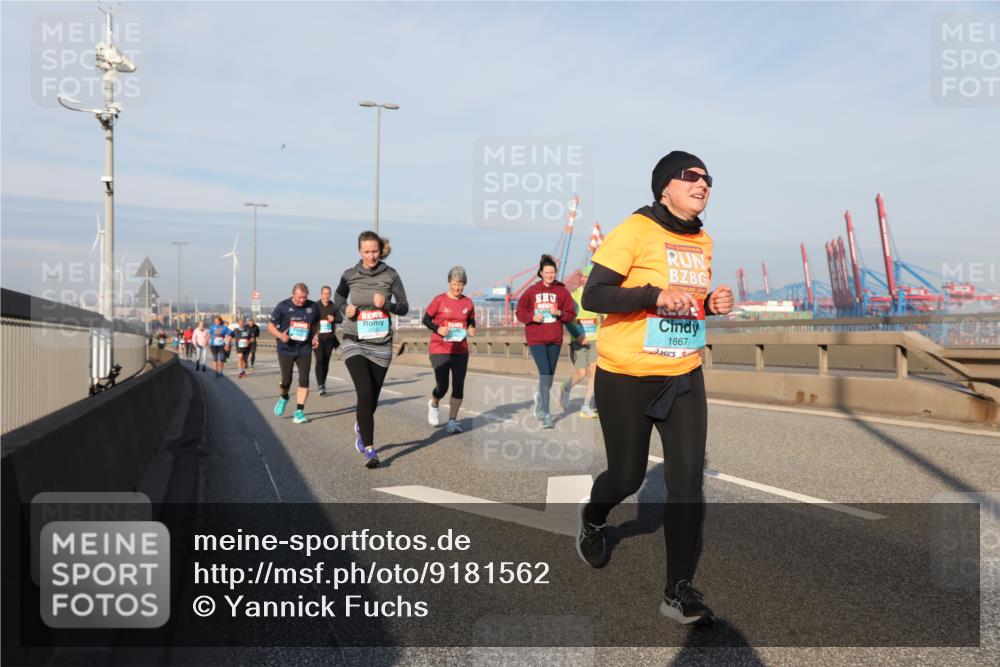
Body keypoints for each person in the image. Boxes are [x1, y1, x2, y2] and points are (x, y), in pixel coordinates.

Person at [575, 151, 734, 625]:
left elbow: (685, 303)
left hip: (683, 372)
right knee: (626, 477)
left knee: (686, 483)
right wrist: (653, 295)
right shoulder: (636, 229)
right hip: (626, 376)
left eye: (708, 178)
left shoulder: (703, 240)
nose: (703, 184)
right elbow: (594, 294)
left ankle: (677, 591)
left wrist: (709, 303)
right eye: (691, 176)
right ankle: (593, 518)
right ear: (665, 186)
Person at [335, 231, 409, 468]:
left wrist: (386, 304)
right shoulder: (349, 274)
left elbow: (404, 307)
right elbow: (338, 297)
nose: (371, 256)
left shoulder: (391, 275)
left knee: (372, 399)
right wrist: (344, 308)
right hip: (354, 340)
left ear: (380, 250)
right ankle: (370, 449)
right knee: (365, 392)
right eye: (366, 251)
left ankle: (361, 425)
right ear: (359, 251)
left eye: (374, 251)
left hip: (381, 344)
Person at [515, 254, 576, 429]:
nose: (550, 275)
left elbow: (571, 314)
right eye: (547, 272)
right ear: (541, 273)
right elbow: (520, 312)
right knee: (545, 374)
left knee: (549, 376)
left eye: (552, 272)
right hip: (536, 339)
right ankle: (547, 415)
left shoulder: (562, 291)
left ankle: (540, 400)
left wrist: (559, 313)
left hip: (555, 339)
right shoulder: (532, 291)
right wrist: (532, 317)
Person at [423, 266, 476, 434]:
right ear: (449, 282)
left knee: (458, 386)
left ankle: (452, 421)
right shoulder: (439, 300)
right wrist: (437, 328)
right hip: (440, 348)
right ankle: (434, 402)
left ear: (464, 284)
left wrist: (472, 329)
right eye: (454, 284)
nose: (457, 288)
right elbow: (426, 319)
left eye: (460, 284)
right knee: (443, 386)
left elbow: (471, 320)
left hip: (460, 350)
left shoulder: (468, 303)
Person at [268, 284, 320, 424]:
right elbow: (270, 326)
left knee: (304, 379)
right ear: (293, 294)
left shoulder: (313, 306)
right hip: (286, 349)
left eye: (305, 297)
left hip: (304, 349)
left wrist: (316, 336)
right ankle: (284, 396)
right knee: (286, 381)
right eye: (299, 297)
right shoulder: (283, 306)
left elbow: (317, 324)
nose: (302, 300)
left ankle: (299, 412)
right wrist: (280, 335)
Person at [559, 264, 601, 418]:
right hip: (578, 339)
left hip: (595, 338)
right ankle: (566, 387)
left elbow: (605, 316)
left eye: (589, 277)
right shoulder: (574, 296)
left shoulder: (599, 296)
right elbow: (567, 318)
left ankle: (586, 406)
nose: (585, 279)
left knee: (593, 372)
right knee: (581, 373)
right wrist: (578, 335)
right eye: (584, 276)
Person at [314, 286, 341, 396]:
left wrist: (334, 319)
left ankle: (323, 383)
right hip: (318, 338)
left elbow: (340, 319)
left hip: (329, 338)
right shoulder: (315, 306)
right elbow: (310, 320)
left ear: (330, 294)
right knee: (319, 360)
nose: (326, 296)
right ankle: (320, 385)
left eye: (328, 293)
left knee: (325, 362)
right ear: (321, 294)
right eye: (324, 293)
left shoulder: (334, 306)